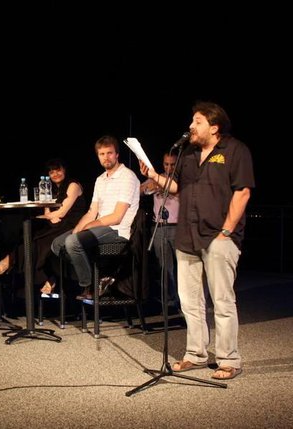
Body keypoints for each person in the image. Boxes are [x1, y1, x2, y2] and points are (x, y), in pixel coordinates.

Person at [139, 101, 254, 381]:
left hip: (218, 236)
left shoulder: (235, 150)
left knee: (222, 300)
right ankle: (196, 354)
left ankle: (229, 359)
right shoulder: (188, 154)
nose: (191, 126)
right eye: (192, 120)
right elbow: (176, 187)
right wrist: (154, 175)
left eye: (198, 121)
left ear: (214, 127)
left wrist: (226, 231)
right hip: (186, 235)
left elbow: (243, 192)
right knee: (189, 300)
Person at [51, 135, 140, 300]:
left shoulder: (127, 176)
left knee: (73, 242)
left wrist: (89, 227)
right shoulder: (100, 179)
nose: (106, 157)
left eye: (109, 153)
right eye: (102, 154)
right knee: (58, 244)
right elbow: (92, 211)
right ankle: (96, 277)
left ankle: (89, 285)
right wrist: (78, 229)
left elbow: (117, 217)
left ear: (117, 154)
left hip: (117, 231)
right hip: (99, 228)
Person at [0, 158, 87, 294]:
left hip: (72, 224)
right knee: (30, 235)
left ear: (64, 170)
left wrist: (51, 216)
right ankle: (46, 277)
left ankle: (10, 261)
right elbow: (47, 209)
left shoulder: (73, 185)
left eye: (58, 170)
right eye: (52, 172)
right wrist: (49, 216)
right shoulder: (51, 188)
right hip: (57, 223)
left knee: (41, 241)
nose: (55, 174)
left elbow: (63, 211)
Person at [140, 152, 180, 309]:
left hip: (178, 227)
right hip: (160, 227)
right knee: (164, 268)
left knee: (183, 268)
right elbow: (139, 191)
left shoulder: (181, 179)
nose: (169, 167)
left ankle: (185, 302)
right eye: (166, 164)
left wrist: (166, 187)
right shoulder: (156, 177)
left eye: (172, 164)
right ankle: (169, 302)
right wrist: (149, 187)